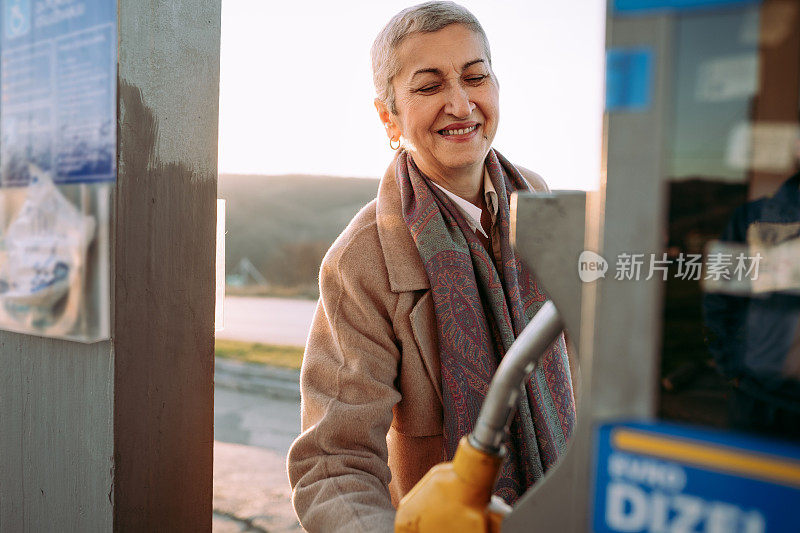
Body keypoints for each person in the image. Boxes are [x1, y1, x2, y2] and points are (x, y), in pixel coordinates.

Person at [287, 3, 576, 531]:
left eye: (475, 77)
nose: (461, 104)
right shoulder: (362, 261)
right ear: (388, 116)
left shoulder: (539, 201)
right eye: (428, 87)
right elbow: (332, 465)